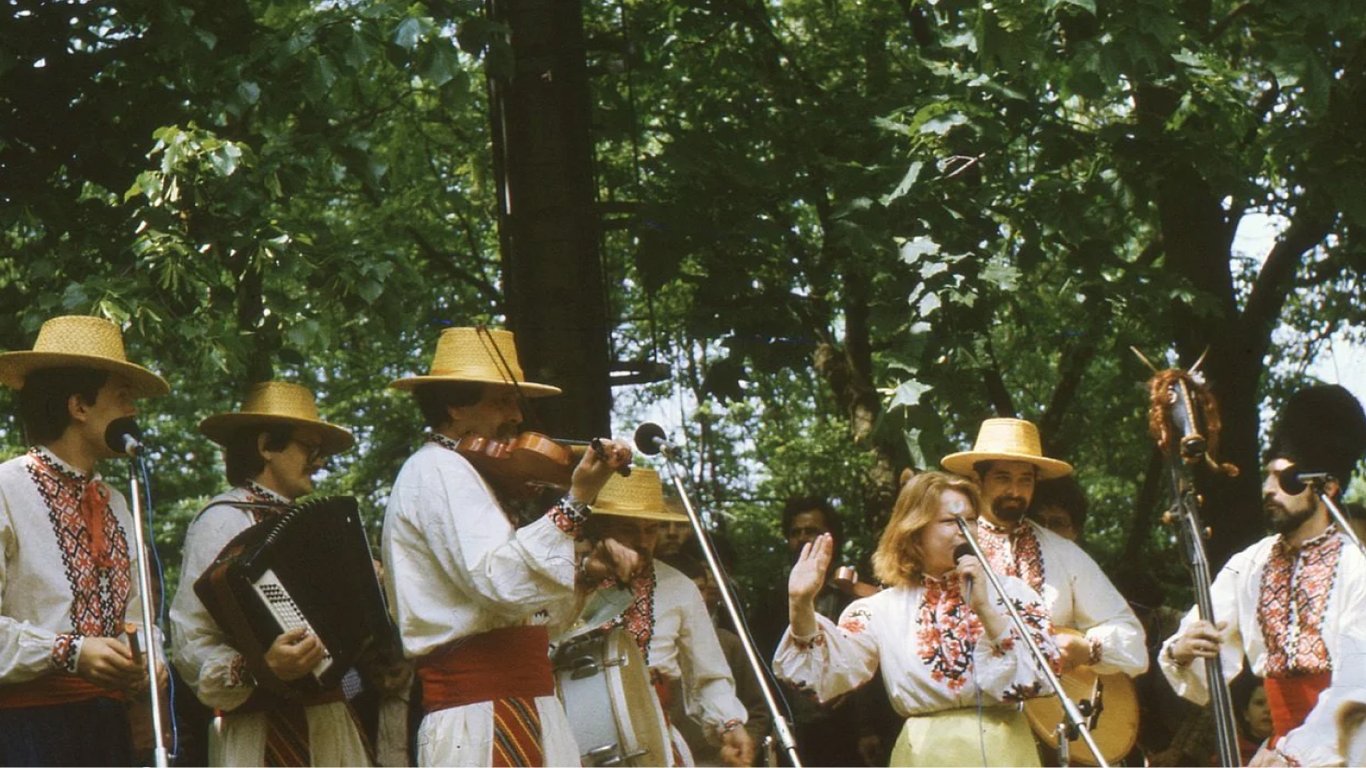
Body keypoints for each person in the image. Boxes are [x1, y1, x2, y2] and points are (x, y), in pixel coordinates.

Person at [380, 325, 636, 767]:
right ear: (455, 405)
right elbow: (498, 581)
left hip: (522, 702)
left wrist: (585, 576)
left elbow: (532, 619)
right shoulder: (437, 469)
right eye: (502, 400)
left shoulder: (470, 474)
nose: (517, 416)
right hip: (481, 713)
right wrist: (574, 504)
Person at [775, 471, 1059, 766]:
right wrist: (801, 603)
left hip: (1006, 749)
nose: (965, 529)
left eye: (972, 519)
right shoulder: (881, 608)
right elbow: (823, 678)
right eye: (951, 521)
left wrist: (987, 609)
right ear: (915, 531)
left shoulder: (1012, 592)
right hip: (926, 752)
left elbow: (1044, 676)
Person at [1161, 384, 1366, 765]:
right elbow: (1204, 646)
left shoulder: (1357, 567)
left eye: (1284, 480)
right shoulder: (1250, 564)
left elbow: (1359, 681)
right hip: (1282, 748)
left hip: (1348, 747)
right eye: (1267, 477)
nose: (1269, 489)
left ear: (1327, 487)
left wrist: (1298, 754)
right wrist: (1180, 650)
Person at [168, 380, 370, 766]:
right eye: (310, 447)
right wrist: (259, 667)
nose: (321, 461)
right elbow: (191, 640)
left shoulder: (317, 524)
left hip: (329, 719)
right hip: (259, 728)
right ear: (266, 447)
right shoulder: (222, 520)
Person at [0, 315, 170, 765]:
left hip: (106, 727)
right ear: (79, 405)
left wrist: (146, 655)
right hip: (26, 729)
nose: (133, 411)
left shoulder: (115, 500)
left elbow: (137, 614)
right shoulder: (6, 489)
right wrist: (69, 650)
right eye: (122, 397)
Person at [942, 418, 1147, 678]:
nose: (1015, 491)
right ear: (977, 479)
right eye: (1003, 478)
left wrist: (1088, 649)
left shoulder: (1062, 552)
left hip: (1050, 709)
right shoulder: (947, 544)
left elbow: (1131, 635)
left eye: (1025, 480)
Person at [581, 467, 755, 766]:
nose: (642, 540)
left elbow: (708, 674)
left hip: (653, 738)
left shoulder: (680, 587)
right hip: (571, 739)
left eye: (650, 529)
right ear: (602, 527)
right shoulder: (568, 580)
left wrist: (730, 723)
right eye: (629, 529)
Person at [1028, 475, 1087, 544]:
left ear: (1076, 531)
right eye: (1038, 522)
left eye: (1057, 524)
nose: (1045, 530)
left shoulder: (1080, 555)